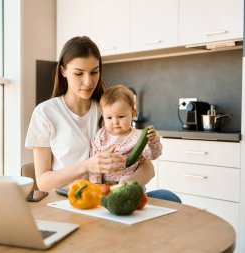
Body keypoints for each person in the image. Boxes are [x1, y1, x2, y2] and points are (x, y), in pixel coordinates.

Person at [25, 36, 181, 203]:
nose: (88, 81)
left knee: (169, 197)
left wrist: (124, 185)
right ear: (63, 71)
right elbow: (43, 183)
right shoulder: (46, 112)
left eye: (94, 72)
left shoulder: (108, 112)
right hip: (72, 201)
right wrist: (87, 165)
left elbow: (147, 167)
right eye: (78, 73)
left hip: (111, 197)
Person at [89, 85, 162, 184]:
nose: (115, 122)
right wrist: (96, 184)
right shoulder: (101, 135)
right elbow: (95, 161)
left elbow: (152, 155)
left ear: (133, 114)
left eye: (121, 116)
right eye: (109, 118)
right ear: (103, 115)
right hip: (105, 185)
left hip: (131, 185)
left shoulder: (138, 136)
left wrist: (152, 140)